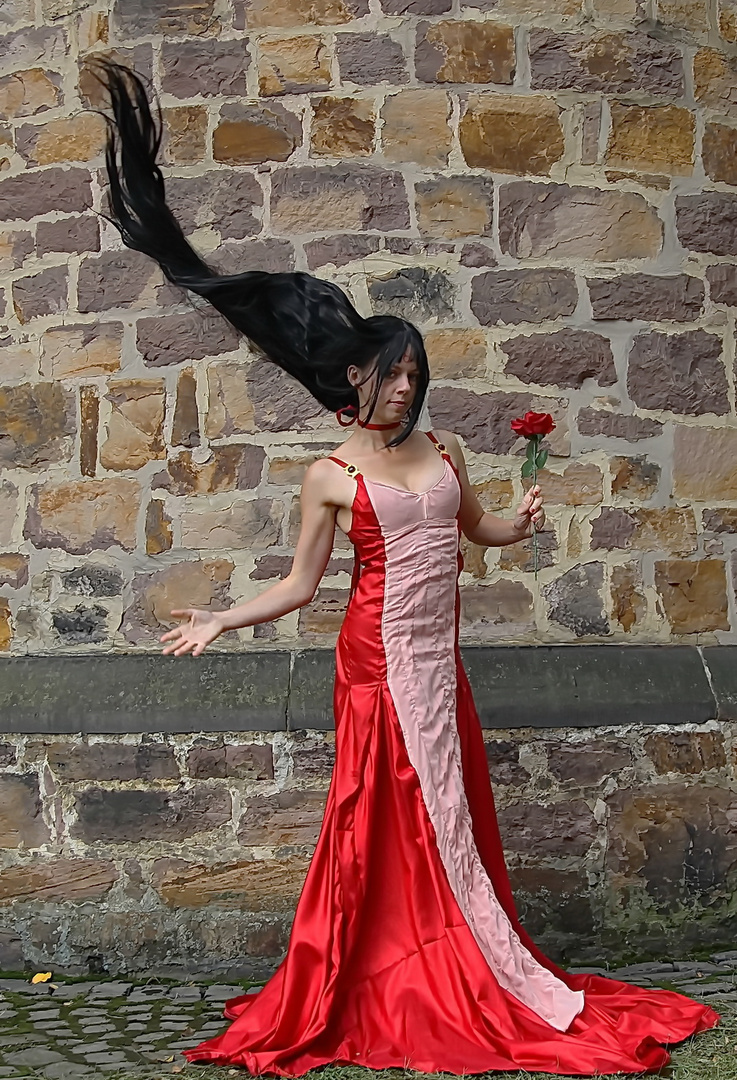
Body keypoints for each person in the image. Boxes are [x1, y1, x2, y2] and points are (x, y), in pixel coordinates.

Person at [96, 63, 718, 1076]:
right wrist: (221, 618)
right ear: (358, 376)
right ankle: (385, 969)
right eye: (394, 378)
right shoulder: (331, 474)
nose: (406, 393)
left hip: (440, 667)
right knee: (378, 823)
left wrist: (517, 521)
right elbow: (301, 584)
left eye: (417, 380)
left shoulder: (443, 457)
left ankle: (460, 953)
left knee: (450, 816)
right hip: (375, 669)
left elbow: (474, 536)